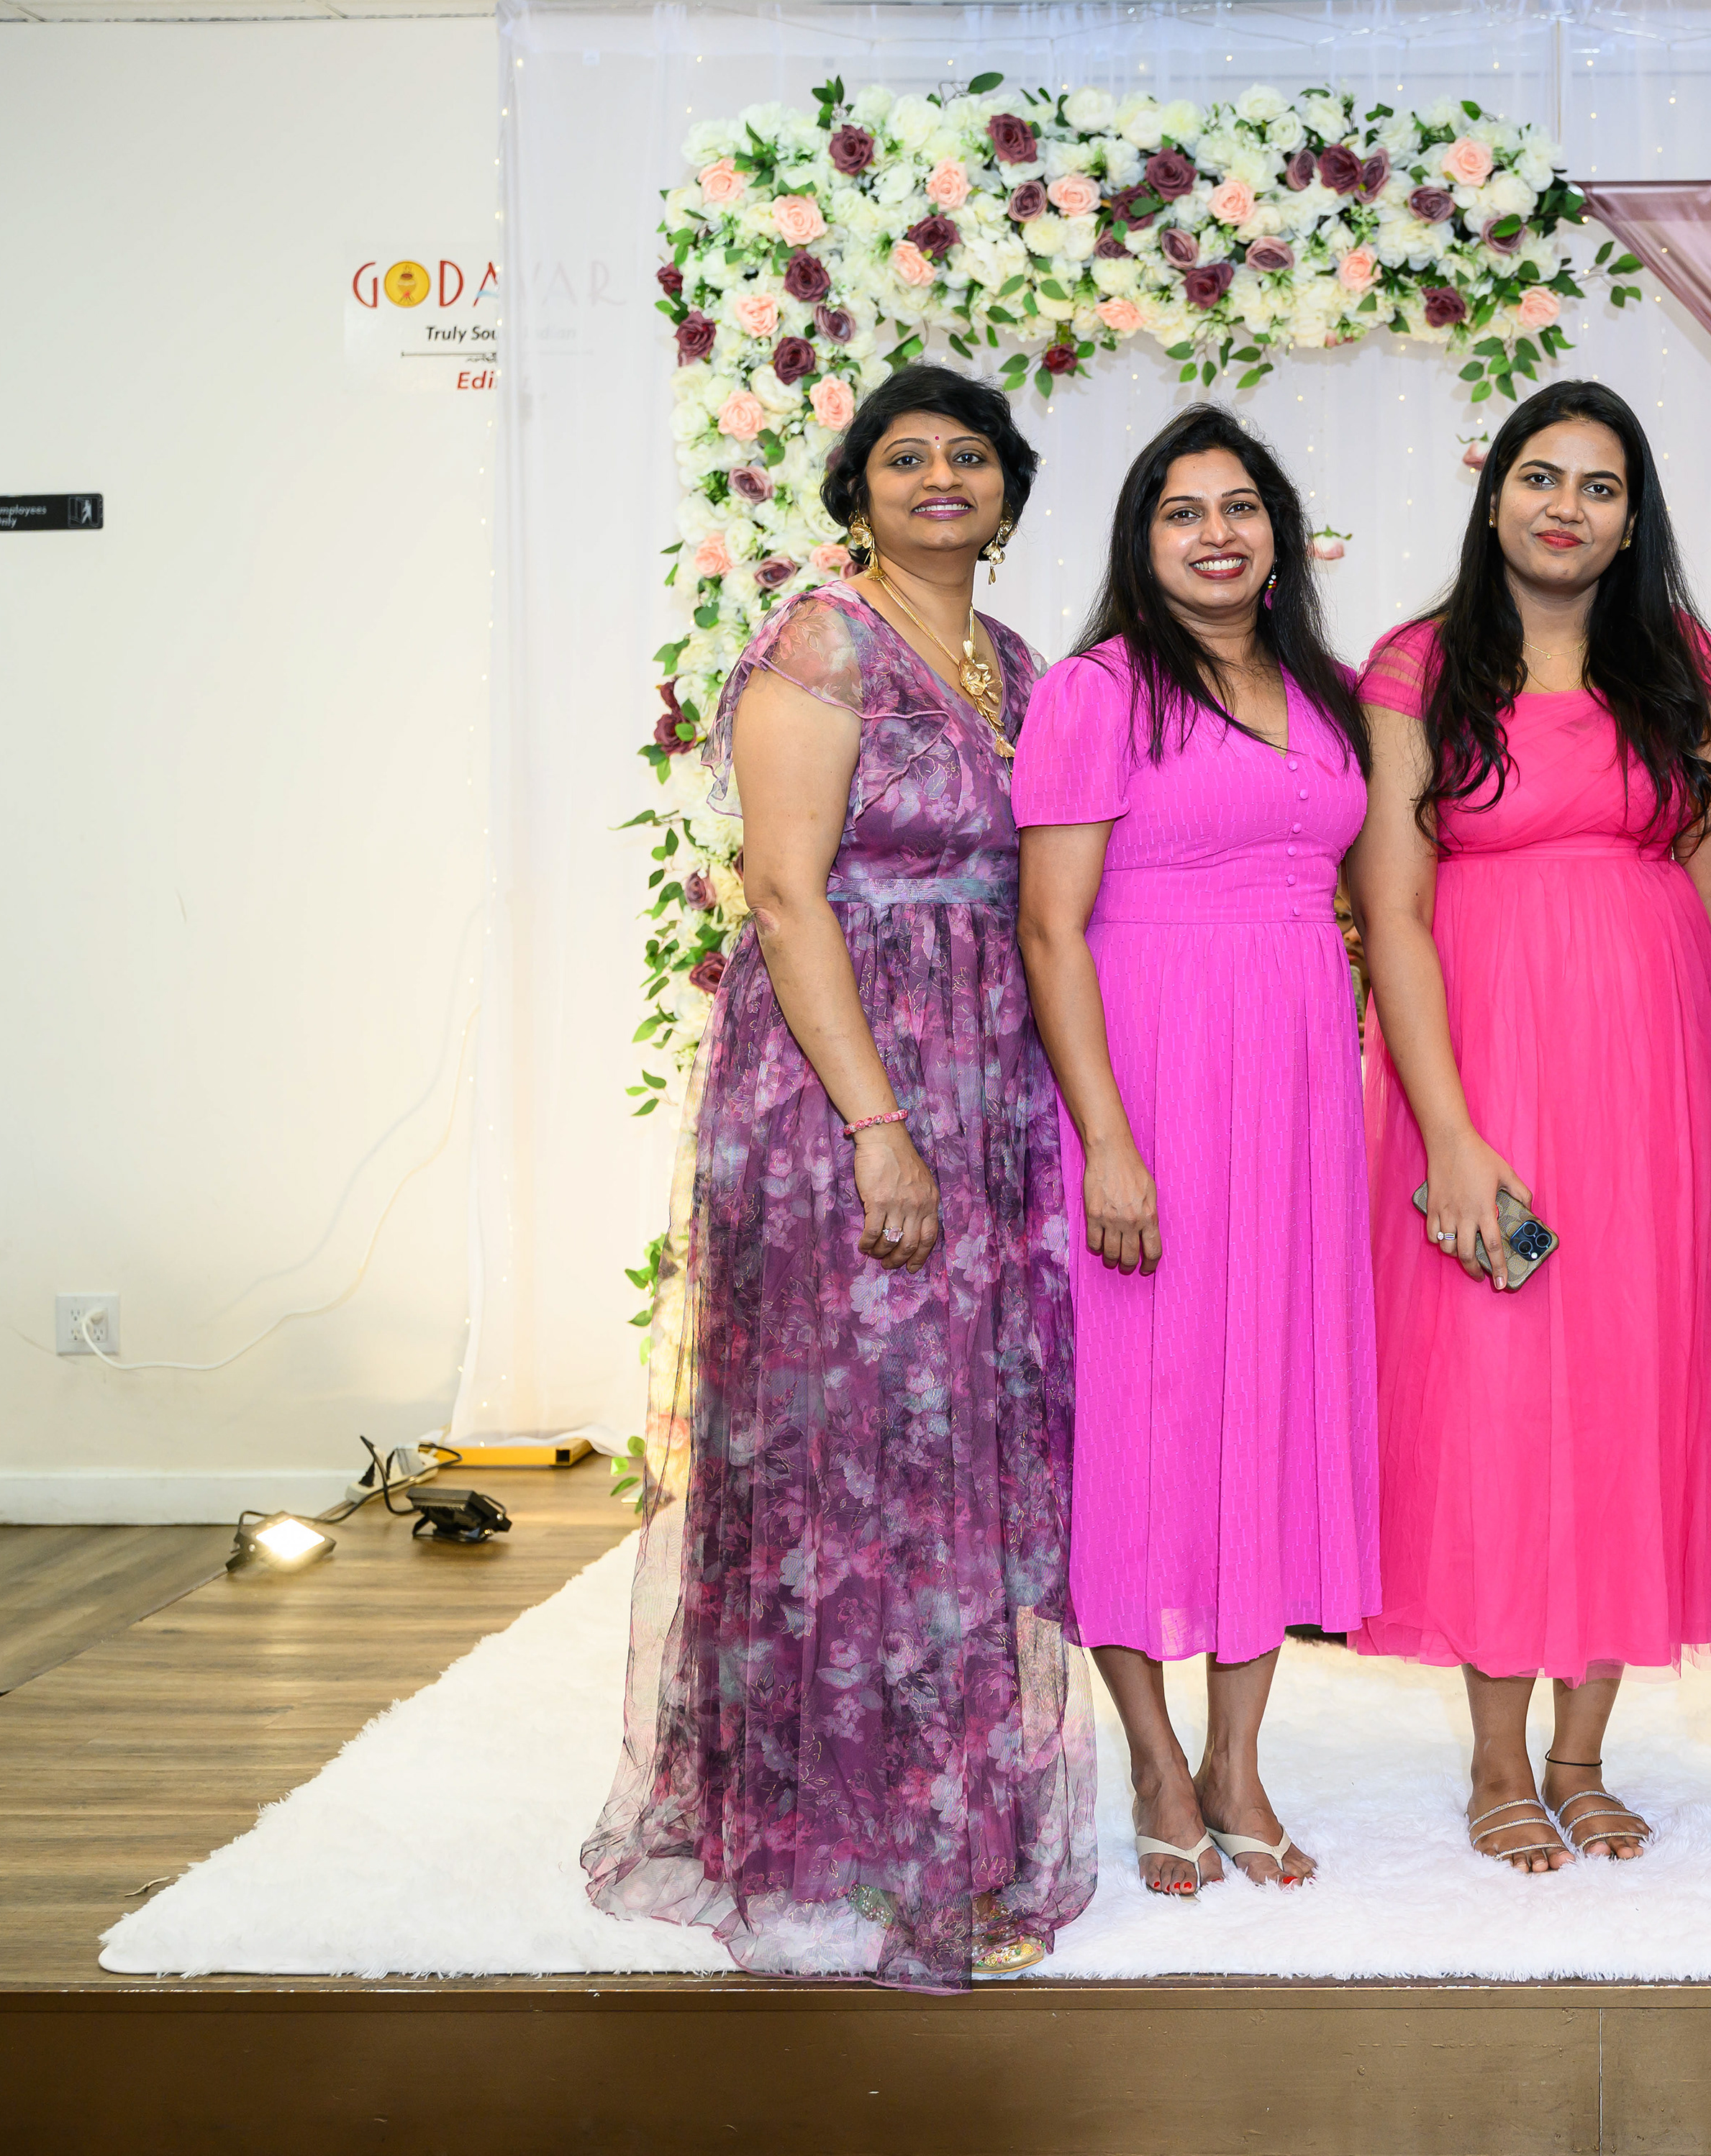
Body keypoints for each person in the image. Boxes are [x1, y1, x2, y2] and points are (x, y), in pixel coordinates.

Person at [583, 365, 1093, 1988]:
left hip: (984, 1076)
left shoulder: (1017, 662)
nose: (941, 476)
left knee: (959, 1448)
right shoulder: (822, 643)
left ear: (1007, 492)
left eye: (969, 455)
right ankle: (828, 1830)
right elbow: (787, 894)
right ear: (857, 490)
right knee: (850, 1448)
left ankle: (954, 1812)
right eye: (905, 456)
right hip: (839, 1086)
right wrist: (877, 1124)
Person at [1347, 379, 1711, 1873]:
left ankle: (1583, 1754)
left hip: (1661, 1080)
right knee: (1498, 1392)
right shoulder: (1420, 664)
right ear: (1495, 493)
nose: (1565, 507)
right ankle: (1499, 1757)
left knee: (1637, 1384)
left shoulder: (1683, 663)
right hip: (1487, 1066)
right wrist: (1449, 1130)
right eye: (1540, 476)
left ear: (1632, 519)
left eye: (1597, 485)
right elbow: (1393, 907)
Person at [1014, 405, 1376, 1896]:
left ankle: (1237, 1757)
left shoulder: (1328, 693)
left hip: (1297, 1086)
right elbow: (1051, 929)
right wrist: (1108, 1140)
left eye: (1240, 506)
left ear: (1277, 533)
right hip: (1150, 1073)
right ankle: (1156, 1756)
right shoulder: (1097, 691)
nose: (1216, 533)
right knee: (1139, 1411)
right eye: (1183, 510)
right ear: (1142, 539)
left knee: (1266, 1401)